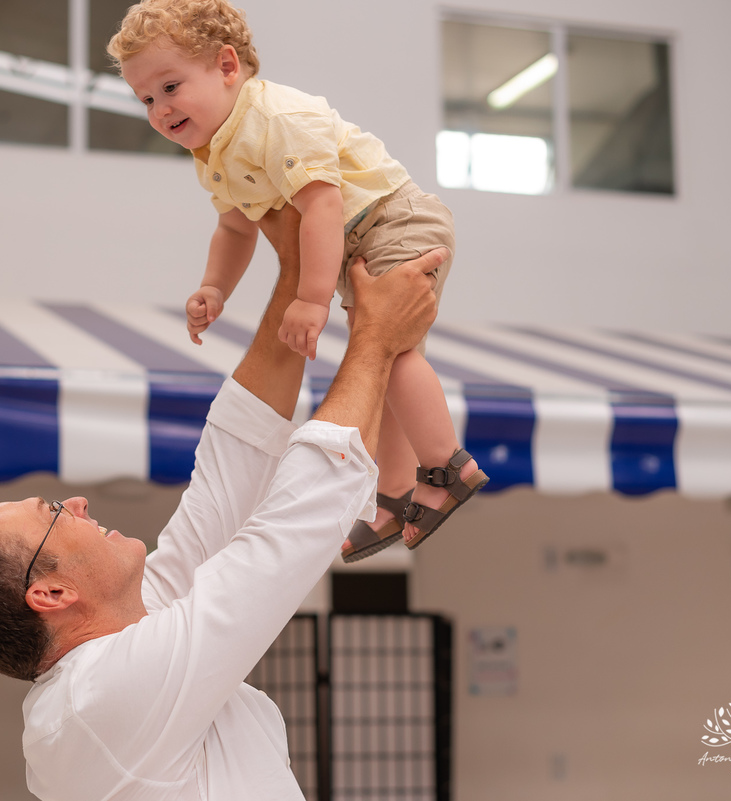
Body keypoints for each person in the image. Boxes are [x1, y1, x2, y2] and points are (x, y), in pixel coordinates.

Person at [0, 206, 446, 801]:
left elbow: (230, 472)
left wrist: (299, 271)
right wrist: (376, 338)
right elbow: (281, 547)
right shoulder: (96, 702)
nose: (73, 502)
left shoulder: (128, 636)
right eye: (50, 512)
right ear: (51, 594)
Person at [109, 0, 487, 563]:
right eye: (146, 99)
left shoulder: (275, 119)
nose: (160, 109)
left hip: (393, 220)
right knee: (379, 359)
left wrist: (311, 298)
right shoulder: (213, 151)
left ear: (227, 65)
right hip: (357, 239)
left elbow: (323, 206)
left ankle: (447, 467)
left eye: (170, 86)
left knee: (386, 347)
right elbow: (235, 228)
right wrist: (215, 287)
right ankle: (397, 489)